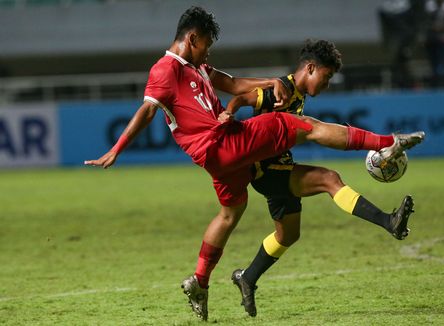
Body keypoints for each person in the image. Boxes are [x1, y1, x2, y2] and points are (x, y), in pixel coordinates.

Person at [84, 6, 425, 321]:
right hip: (222, 144)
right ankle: (388, 142)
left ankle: (201, 282)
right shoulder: (165, 69)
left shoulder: (198, 67)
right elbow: (148, 109)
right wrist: (118, 147)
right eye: (206, 45)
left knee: (233, 211)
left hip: (221, 161)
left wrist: (268, 81)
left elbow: (233, 84)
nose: (208, 52)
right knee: (303, 129)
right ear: (192, 39)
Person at [223, 39, 420, 317]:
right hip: (266, 171)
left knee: (288, 234)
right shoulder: (282, 89)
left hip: (279, 169)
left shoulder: (298, 96)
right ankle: (389, 222)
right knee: (329, 178)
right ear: (311, 68)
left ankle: (247, 277)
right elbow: (245, 98)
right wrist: (229, 112)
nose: (327, 85)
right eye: (326, 78)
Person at [424, 0, 444, 87]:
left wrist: (441, 28)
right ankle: (435, 87)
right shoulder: (429, 6)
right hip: (432, 41)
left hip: (443, 41)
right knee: (434, 66)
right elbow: (424, 22)